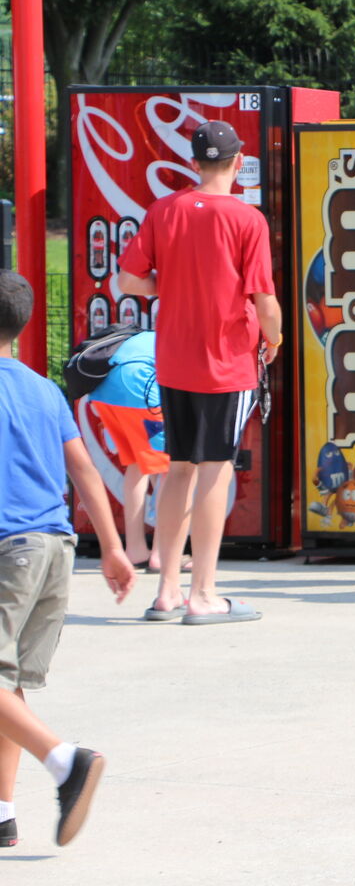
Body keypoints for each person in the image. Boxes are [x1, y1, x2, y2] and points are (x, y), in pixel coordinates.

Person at [118, 120, 280, 624]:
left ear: (193, 162)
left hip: (173, 358)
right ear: (237, 163)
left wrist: (173, 284)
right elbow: (265, 300)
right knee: (215, 468)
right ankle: (204, 593)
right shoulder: (246, 219)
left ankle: (167, 590)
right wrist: (273, 339)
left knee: (179, 468)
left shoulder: (163, 210)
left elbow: (129, 280)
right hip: (226, 362)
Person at [0, 271, 136, 848]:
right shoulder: (42, 388)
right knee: (7, 684)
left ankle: (65, 762)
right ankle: (1, 812)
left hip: (9, 548)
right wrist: (111, 546)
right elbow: (82, 468)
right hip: (55, 547)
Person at [84, 330, 191, 576]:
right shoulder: (181, 338)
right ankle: (162, 554)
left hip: (103, 395)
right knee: (170, 467)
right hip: (139, 390)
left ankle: (135, 550)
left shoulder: (146, 337)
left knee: (137, 465)